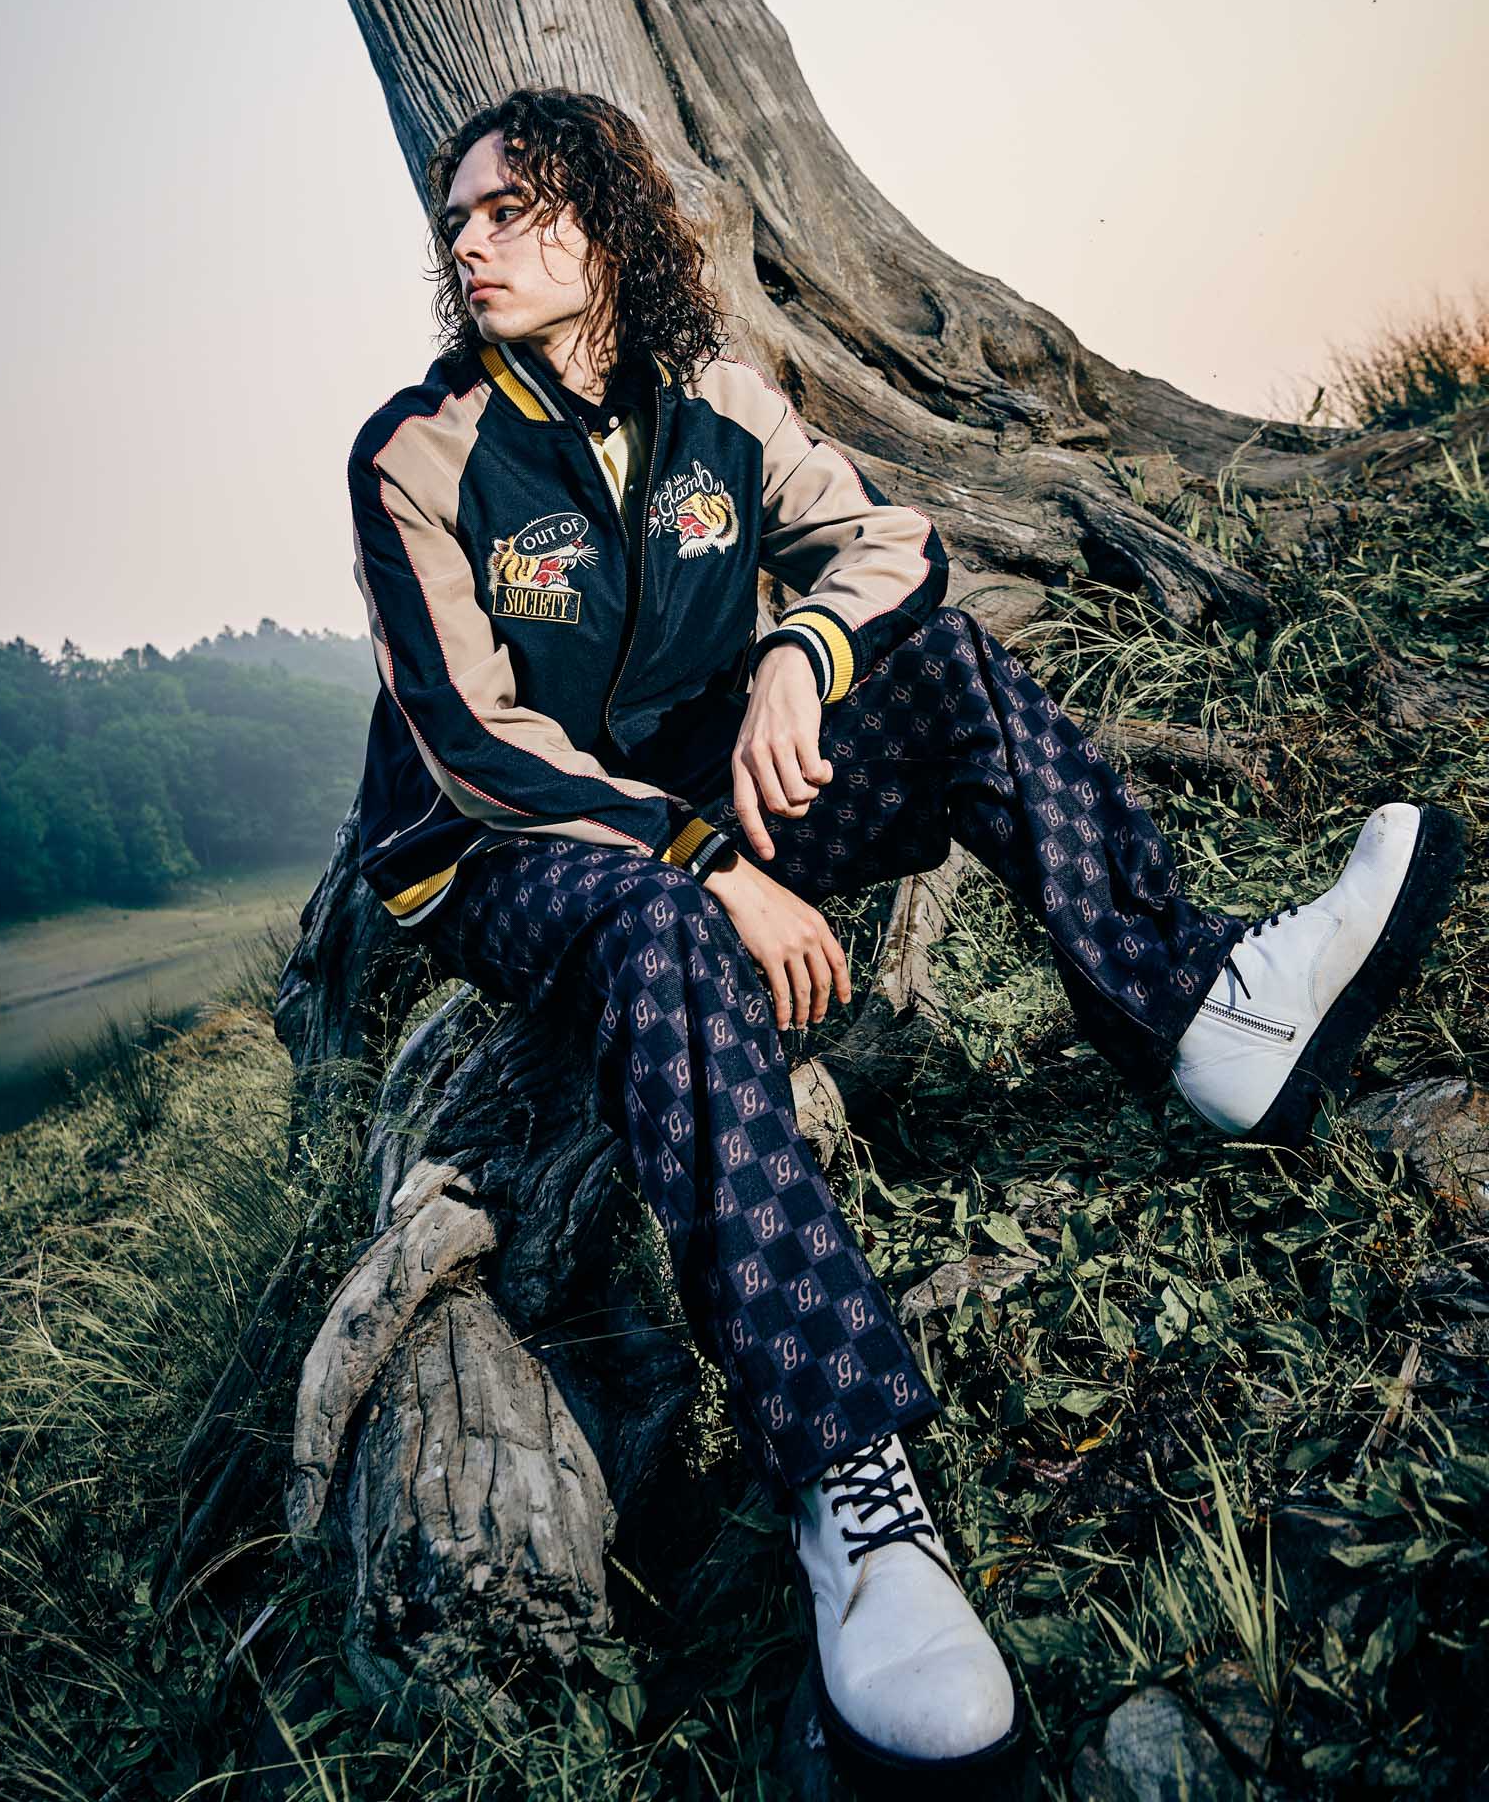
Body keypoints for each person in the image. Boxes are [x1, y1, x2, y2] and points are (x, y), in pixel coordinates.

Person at [344, 86, 1462, 1776]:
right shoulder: (418, 454)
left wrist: (798, 659)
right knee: (656, 932)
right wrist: (707, 863)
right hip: (510, 851)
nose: (472, 240)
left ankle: (1206, 1012)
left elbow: (892, 542)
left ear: (609, 220)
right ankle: (846, 1485)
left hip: (702, 789)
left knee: (938, 665)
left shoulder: (721, 403)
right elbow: (474, 741)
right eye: (459, 220)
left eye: (514, 207)